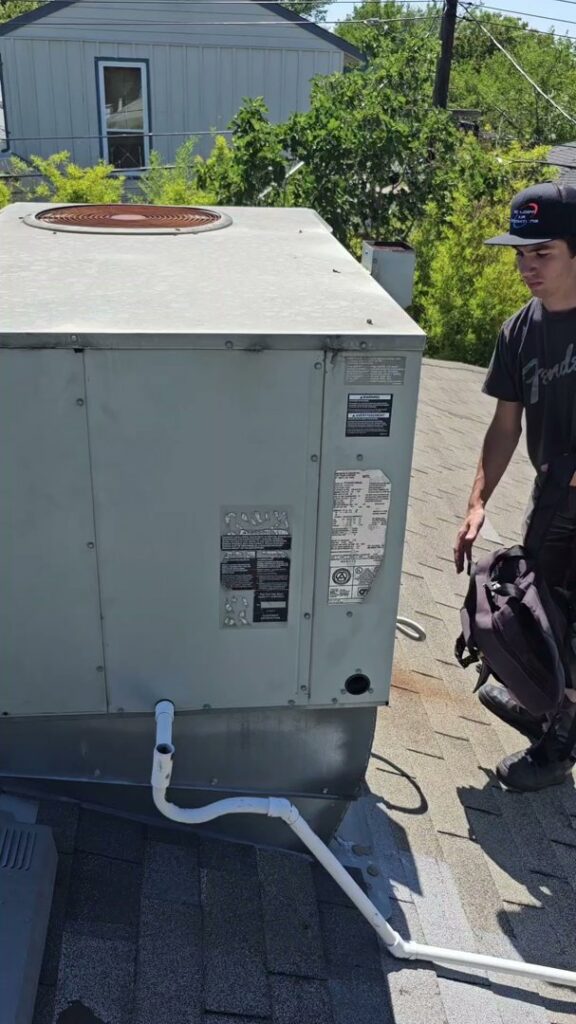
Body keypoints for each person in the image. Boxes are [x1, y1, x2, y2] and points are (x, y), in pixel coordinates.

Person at [454, 181, 576, 792]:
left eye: (543, 252)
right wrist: (477, 503)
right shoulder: (519, 332)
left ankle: (556, 751)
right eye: (520, 254)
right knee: (540, 608)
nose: (527, 266)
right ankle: (542, 704)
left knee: (570, 624)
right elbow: (506, 425)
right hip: (553, 495)